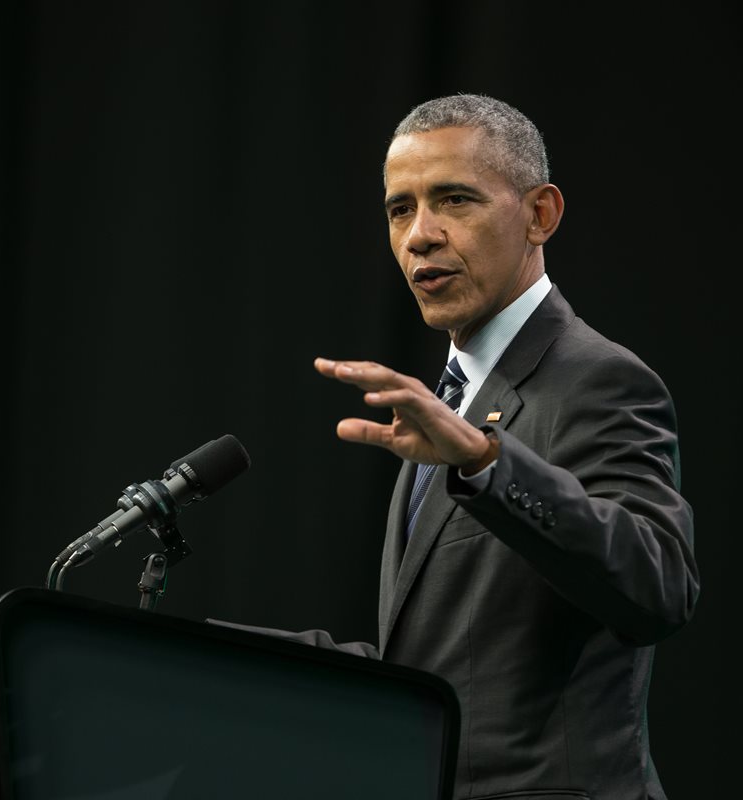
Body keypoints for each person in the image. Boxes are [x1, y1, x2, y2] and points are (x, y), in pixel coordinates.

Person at [222, 94, 698, 800]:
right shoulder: (454, 401)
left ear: (540, 214)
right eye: (399, 209)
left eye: (453, 200)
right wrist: (223, 660)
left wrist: (485, 461)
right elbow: (449, 668)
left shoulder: (598, 380)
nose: (420, 235)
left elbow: (658, 584)